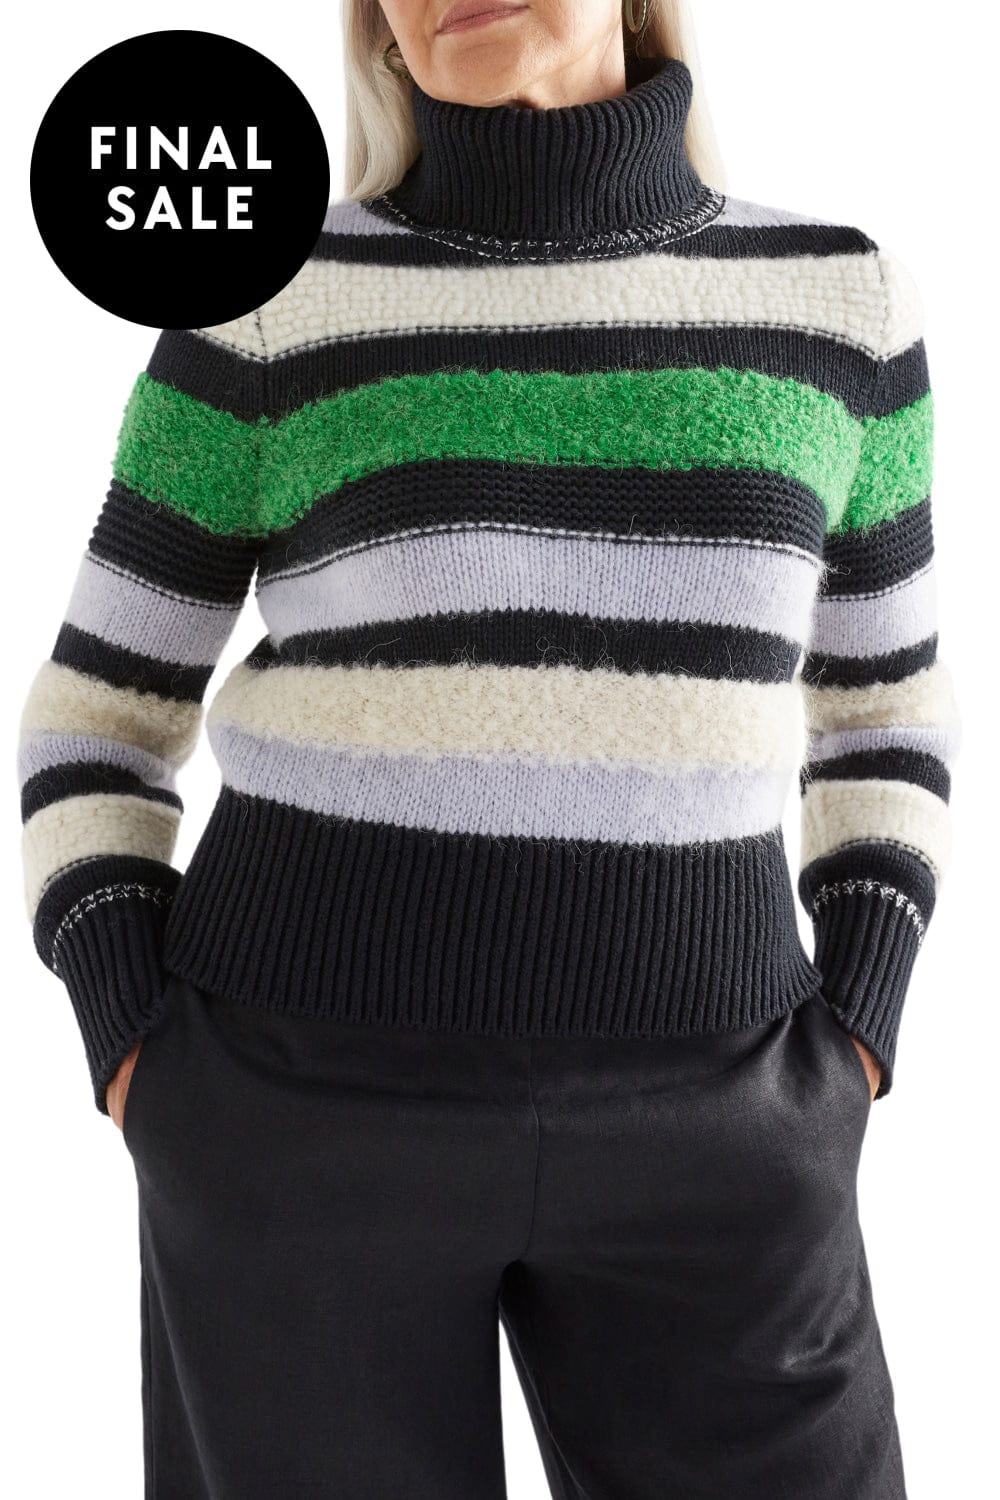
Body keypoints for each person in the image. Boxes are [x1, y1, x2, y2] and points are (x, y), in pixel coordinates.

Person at [16, 0, 961, 1495]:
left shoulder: (841, 304)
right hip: (294, 1118)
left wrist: (858, 1030)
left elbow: (885, 712)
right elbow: (95, 721)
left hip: (725, 1127)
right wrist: (139, 1050)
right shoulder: (268, 304)